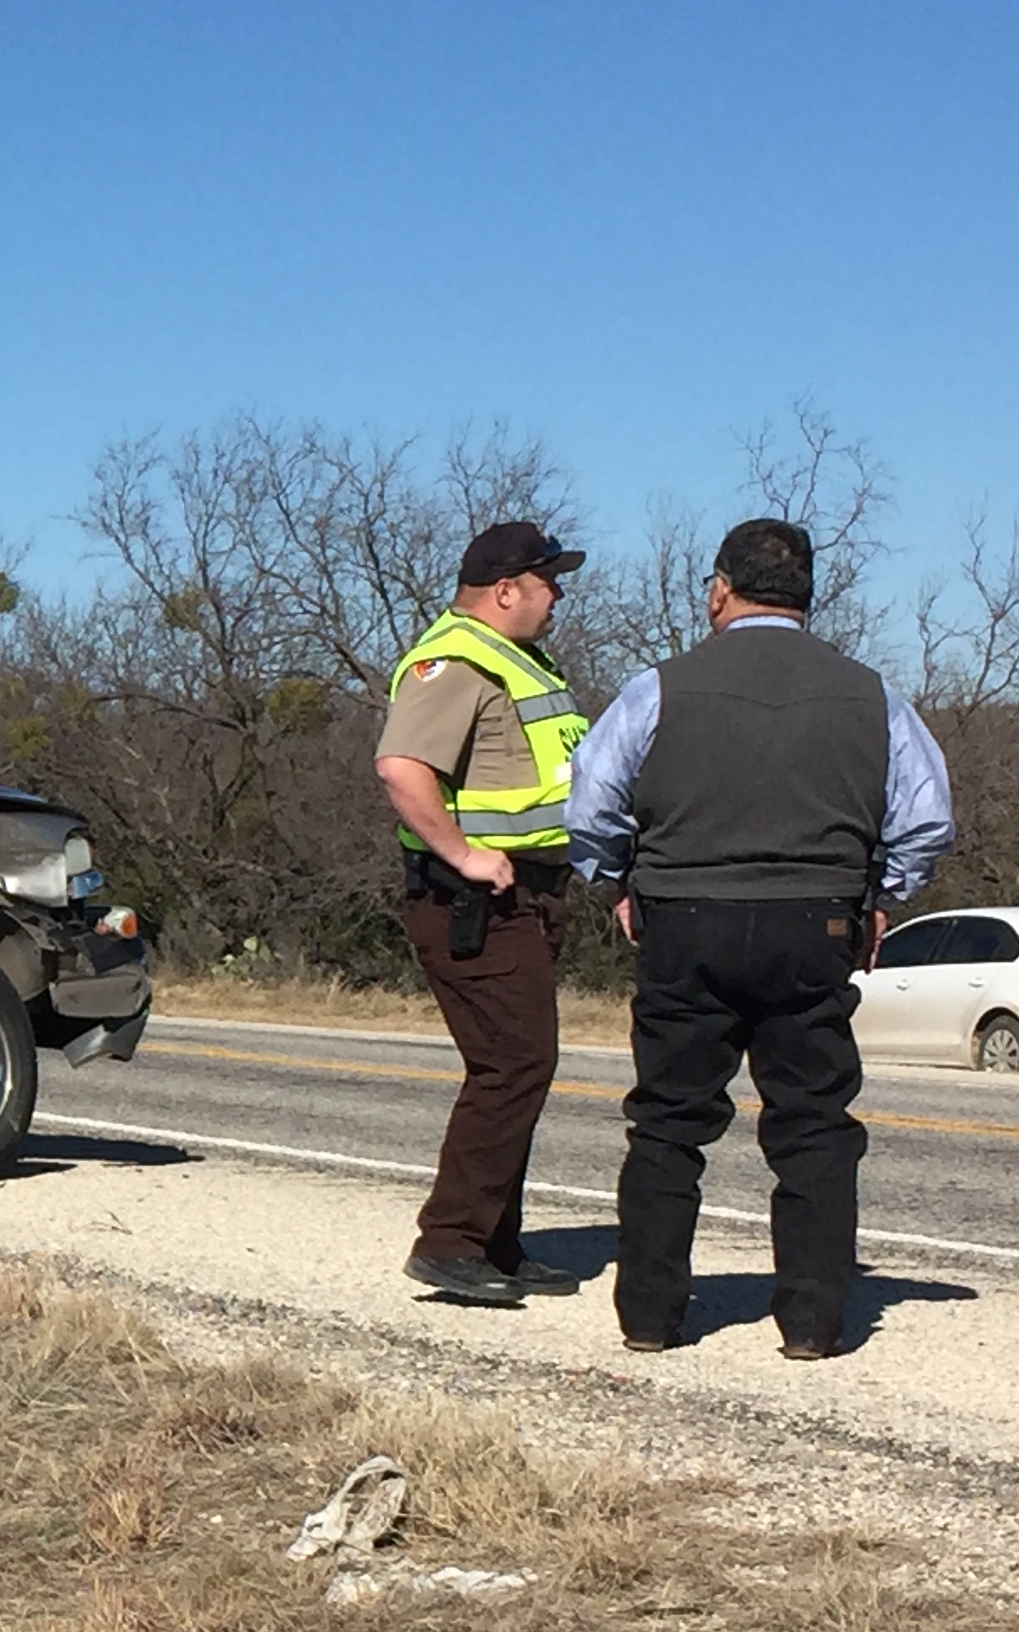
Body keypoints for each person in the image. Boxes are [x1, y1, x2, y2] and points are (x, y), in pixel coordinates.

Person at [567, 517, 955, 1358]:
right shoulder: (872, 695)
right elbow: (926, 821)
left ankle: (650, 1317)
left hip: (684, 918)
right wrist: (879, 896)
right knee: (813, 1123)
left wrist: (620, 881)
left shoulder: (658, 689)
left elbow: (590, 805)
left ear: (719, 591)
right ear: (808, 597)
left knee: (669, 1121)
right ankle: (811, 1324)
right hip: (816, 919)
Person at [375, 521, 593, 1305]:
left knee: (517, 1065)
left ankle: (496, 1243)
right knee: (513, 1063)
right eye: (548, 581)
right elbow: (401, 768)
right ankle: (451, 1242)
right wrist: (463, 854)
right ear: (506, 589)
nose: (558, 595)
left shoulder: (518, 660)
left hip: (526, 895)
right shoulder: (457, 660)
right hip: (472, 900)